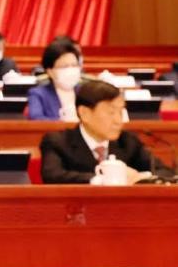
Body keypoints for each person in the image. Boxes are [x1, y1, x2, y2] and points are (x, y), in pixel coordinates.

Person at [40, 80, 174, 184]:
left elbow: (166, 173)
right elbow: (52, 176)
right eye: (111, 112)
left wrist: (142, 177)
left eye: (120, 112)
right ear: (84, 113)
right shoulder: (58, 142)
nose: (118, 120)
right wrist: (102, 179)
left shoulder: (128, 141)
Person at [28, 40, 82, 120]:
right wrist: (63, 122)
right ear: (50, 71)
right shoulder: (38, 94)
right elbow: (36, 118)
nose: (71, 70)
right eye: (64, 66)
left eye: (74, 65)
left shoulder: (86, 92)